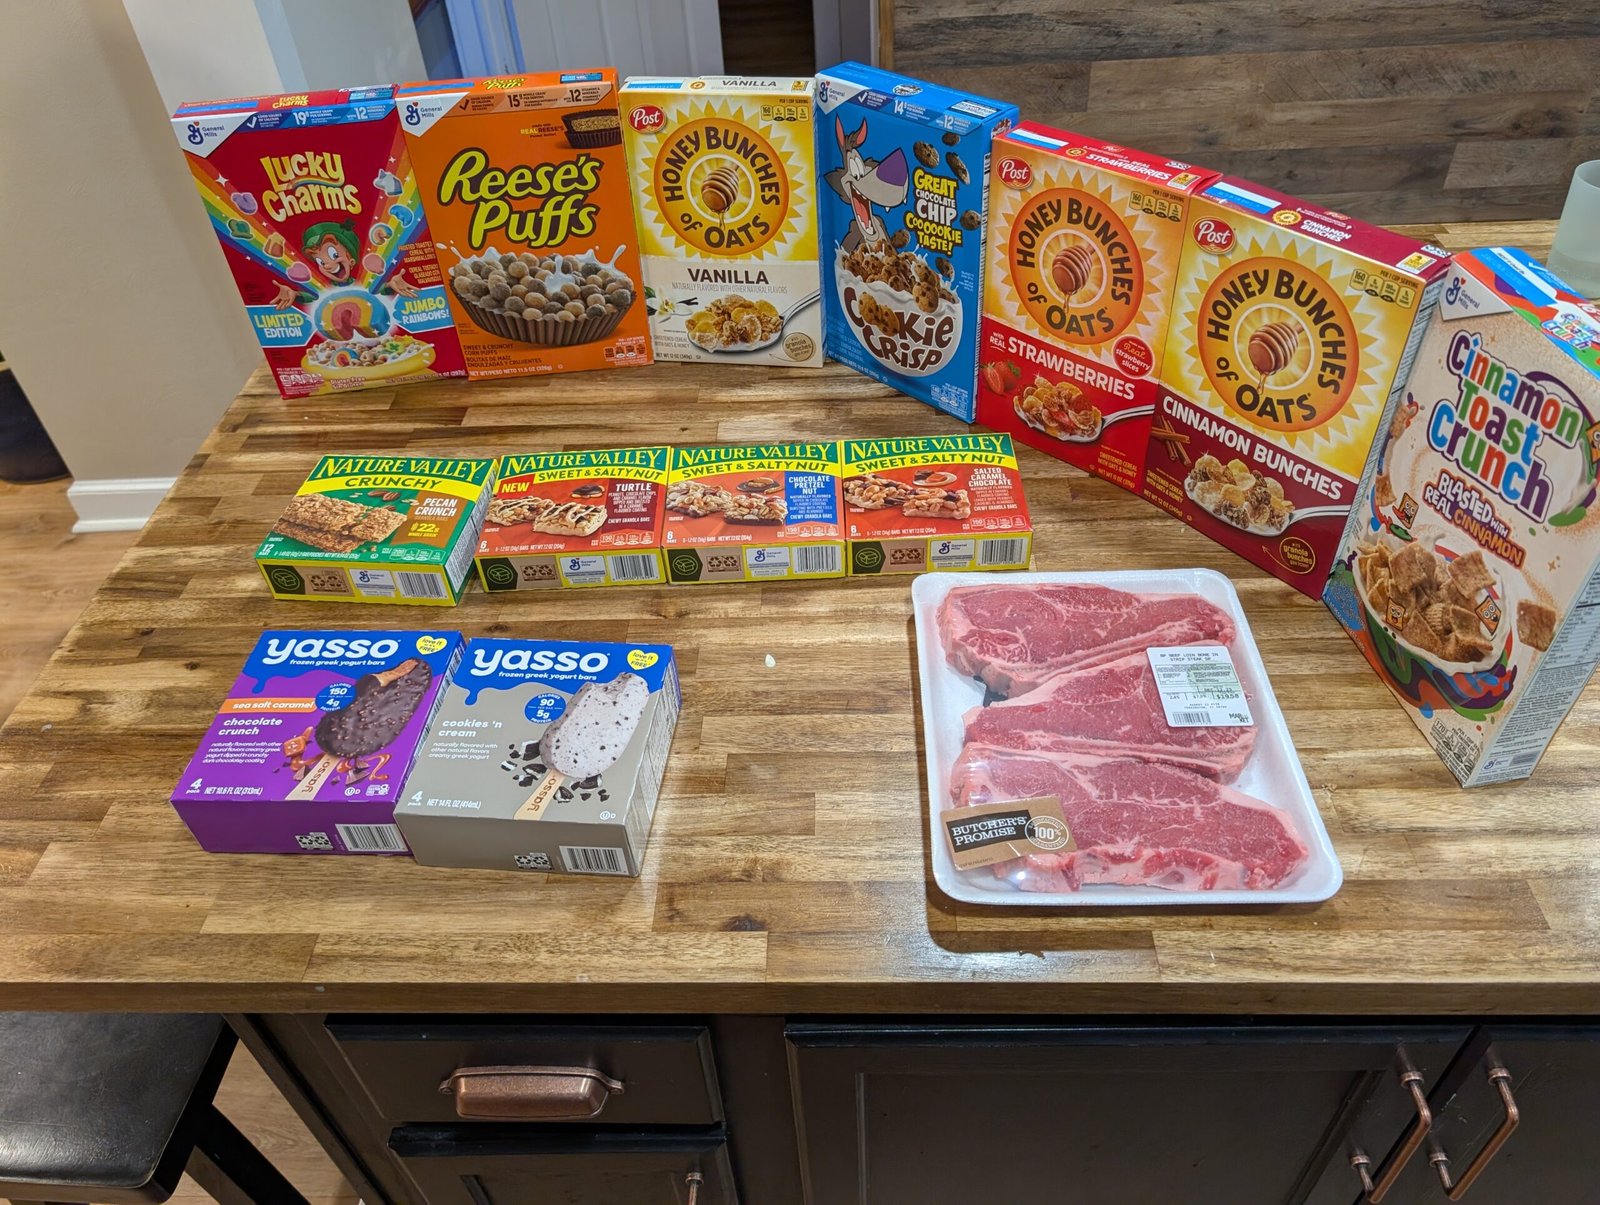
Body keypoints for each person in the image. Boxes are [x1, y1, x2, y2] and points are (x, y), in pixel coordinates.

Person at [272, 219, 418, 309]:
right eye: (320, 261)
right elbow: (312, 298)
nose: (328, 265)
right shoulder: (325, 290)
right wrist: (295, 294)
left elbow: (376, 290)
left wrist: (390, 285)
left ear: (351, 260)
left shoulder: (362, 284)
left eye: (334, 255)